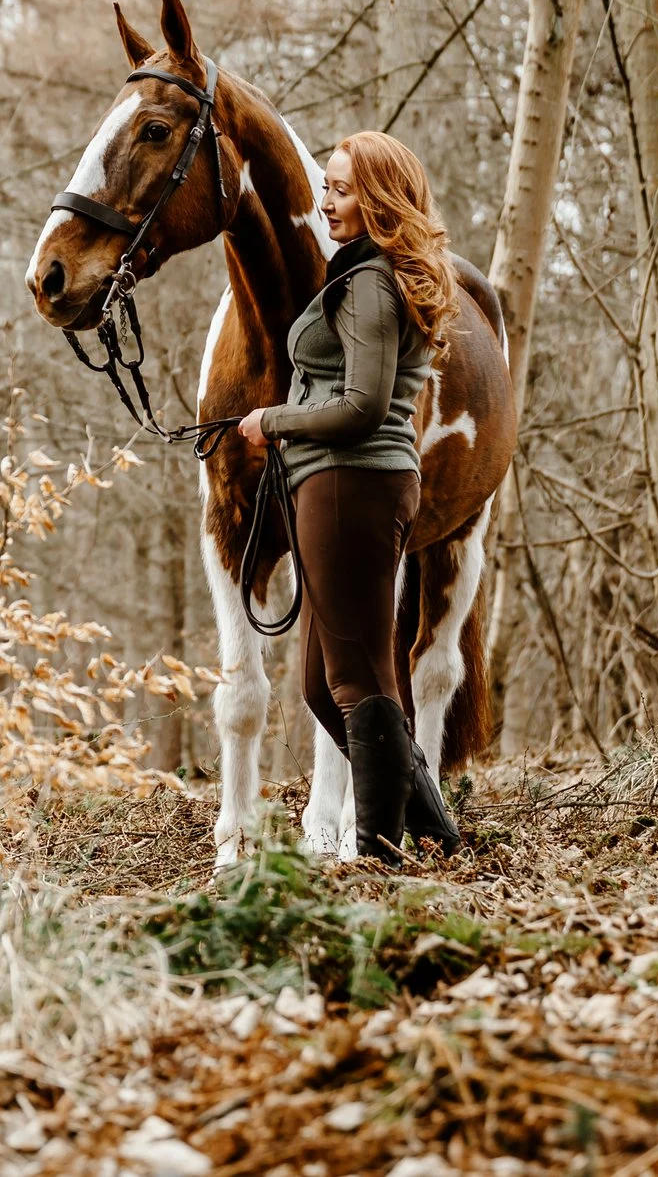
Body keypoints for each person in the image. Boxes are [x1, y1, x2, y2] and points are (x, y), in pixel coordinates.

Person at [240, 130, 461, 862]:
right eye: (326, 186)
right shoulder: (367, 272)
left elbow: (362, 405)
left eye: (340, 189)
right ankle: (431, 822)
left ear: (379, 200)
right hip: (337, 484)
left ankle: (377, 853)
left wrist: (272, 420)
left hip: (353, 483)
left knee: (360, 678)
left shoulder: (368, 284)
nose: (324, 200)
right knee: (320, 684)